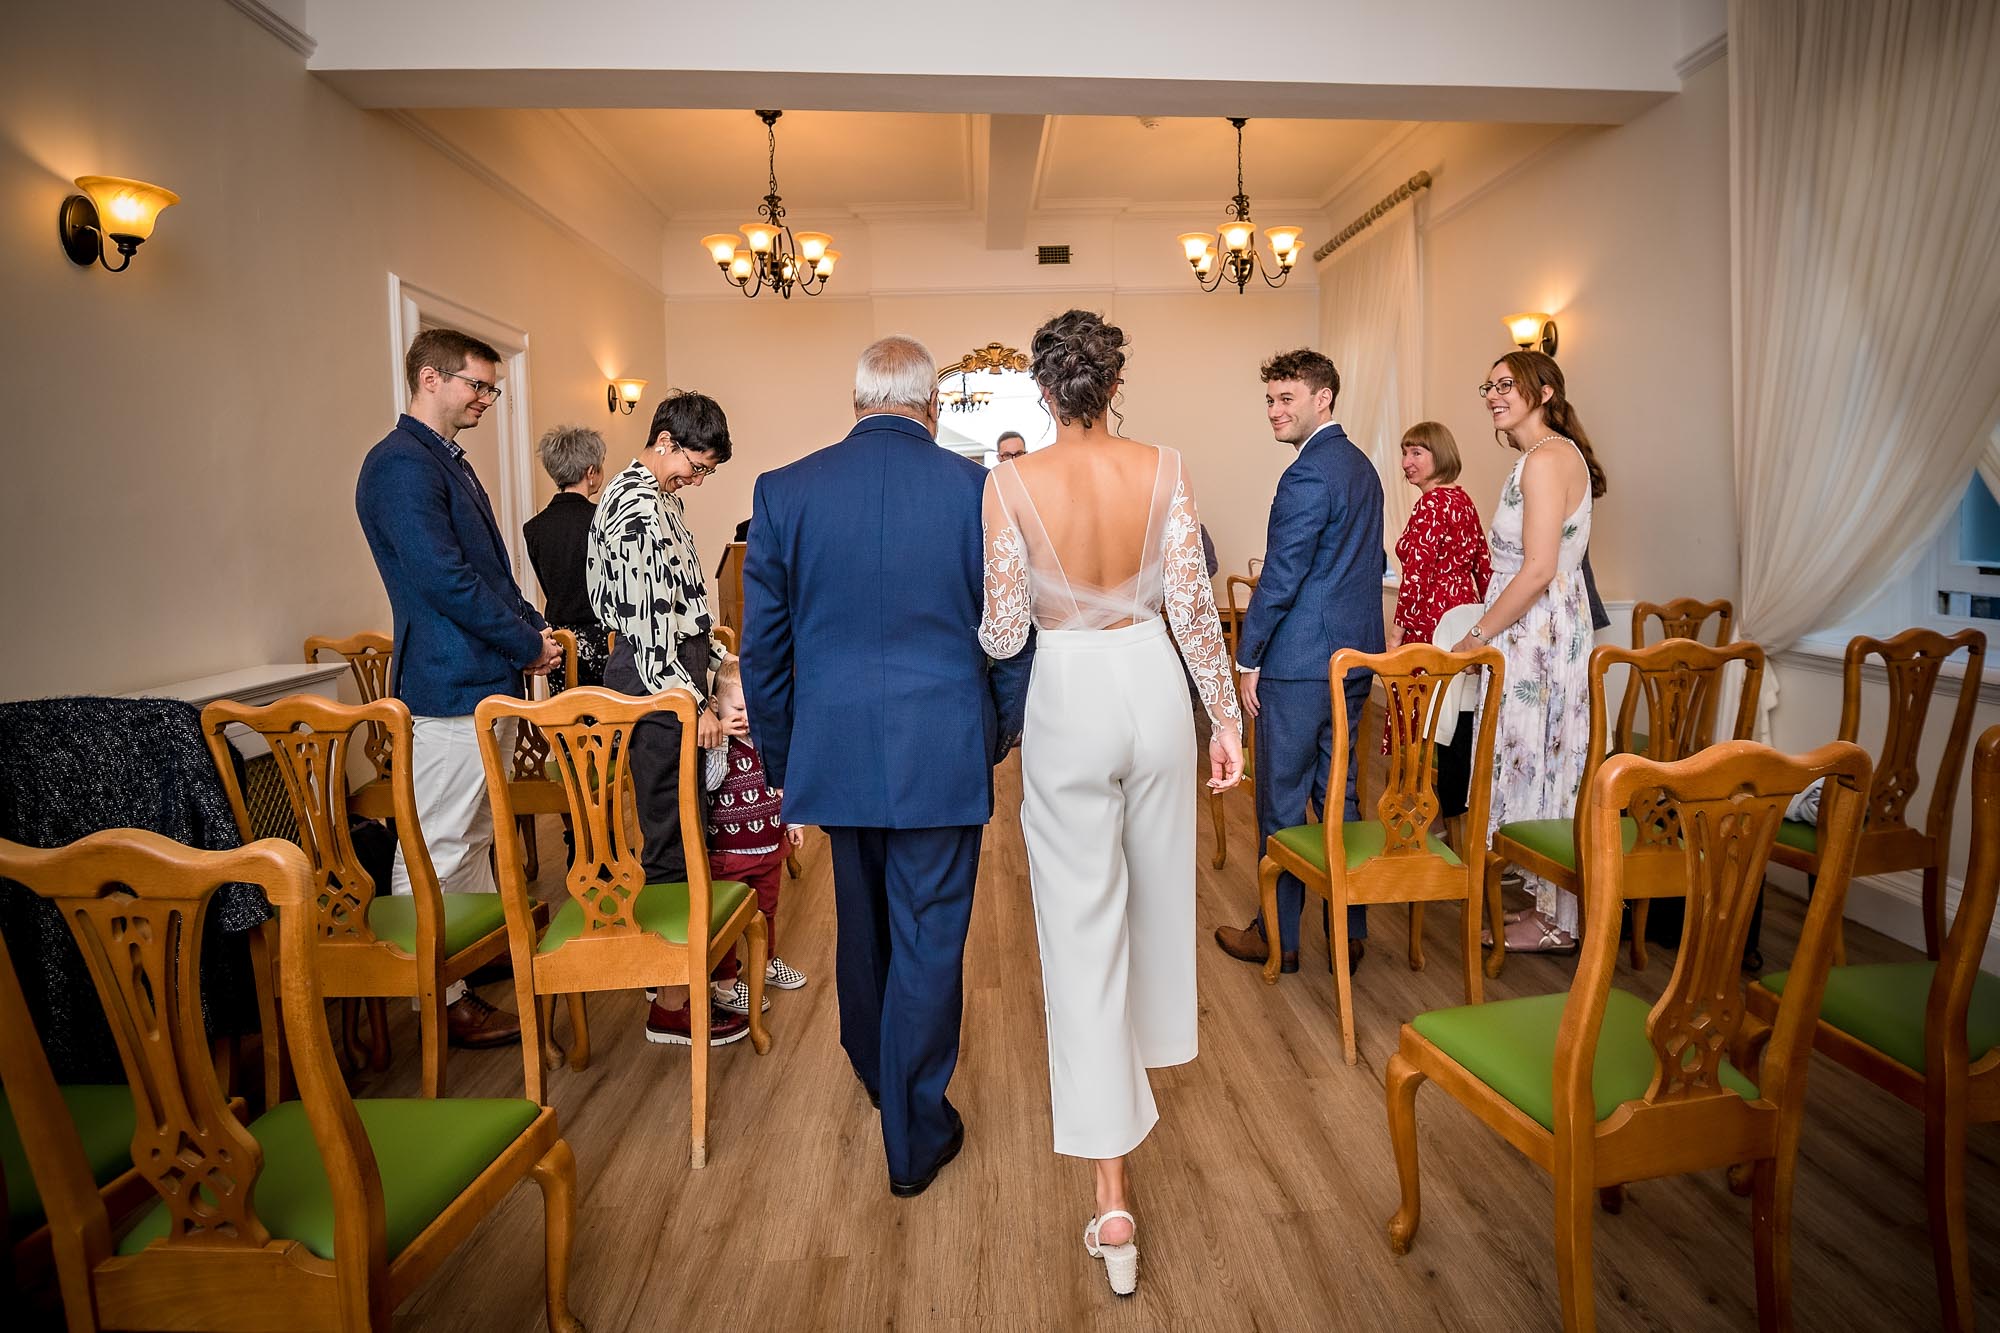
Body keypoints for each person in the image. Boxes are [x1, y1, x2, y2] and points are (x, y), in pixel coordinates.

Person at [978, 309, 1242, 1296]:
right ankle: (1150, 1053)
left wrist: (1003, 599)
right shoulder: (1164, 467)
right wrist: (1225, 721)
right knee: (1154, 902)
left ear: (1044, 393)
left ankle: (1111, 1199)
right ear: (1113, 382)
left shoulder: (1008, 483)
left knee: (1080, 929)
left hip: (1070, 696)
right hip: (1153, 690)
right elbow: (1191, 611)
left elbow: (1004, 636)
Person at [741, 335, 1033, 1199]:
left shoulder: (784, 490)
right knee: (931, 936)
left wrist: (789, 761)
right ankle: (914, 1128)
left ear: (860, 399)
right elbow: (1011, 636)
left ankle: (877, 1071)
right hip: (942, 747)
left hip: (834, 753)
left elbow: (765, 653)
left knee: (861, 926)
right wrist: (998, 732)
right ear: (930, 407)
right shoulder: (978, 491)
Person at [356, 327, 559, 1049]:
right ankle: (439, 1000)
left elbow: (491, 575)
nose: (486, 400)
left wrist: (534, 627)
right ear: (430, 378)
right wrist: (524, 642)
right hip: (446, 684)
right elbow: (445, 581)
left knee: (473, 833)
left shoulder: (443, 461)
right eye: (478, 385)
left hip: (482, 677)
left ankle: (467, 964)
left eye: (491, 388)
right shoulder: (399, 466)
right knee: (437, 842)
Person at [1213, 349, 1385, 977]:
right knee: (1339, 794)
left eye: (1287, 399)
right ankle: (1350, 929)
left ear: (1324, 399)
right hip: (1355, 657)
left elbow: (1282, 576)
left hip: (1299, 664)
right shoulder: (1361, 467)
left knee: (1281, 805)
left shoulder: (1308, 474)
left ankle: (1278, 939)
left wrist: (1248, 654)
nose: (1275, 411)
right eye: (1269, 400)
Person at [585, 390, 743, 1043]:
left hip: (672, 680)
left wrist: (716, 663)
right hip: (656, 690)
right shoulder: (639, 509)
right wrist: (695, 699)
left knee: (686, 827)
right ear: (667, 438)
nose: (698, 479)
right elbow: (650, 637)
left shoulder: (661, 499)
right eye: (696, 465)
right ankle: (672, 1004)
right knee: (672, 836)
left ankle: (678, 972)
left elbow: (681, 610)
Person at [1448, 349, 1607, 952]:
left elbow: (1539, 567)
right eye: (1487, 386)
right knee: (1530, 755)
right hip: (1535, 626)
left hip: (1537, 631)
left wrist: (1477, 636)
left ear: (1543, 393)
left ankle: (1561, 921)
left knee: (1544, 757)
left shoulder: (1546, 460)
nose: (1493, 395)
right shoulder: (1539, 458)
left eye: (1506, 385)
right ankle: (1552, 910)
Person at [1387, 421, 1492, 820]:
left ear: (1440, 456)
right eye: (1405, 452)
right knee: (1457, 715)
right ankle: (1453, 811)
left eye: (1417, 453)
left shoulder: (1431, 505)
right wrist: (1484, 619)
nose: (1406, 462)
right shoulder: (1463, 500)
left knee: (1419, 718)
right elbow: (1484, 566)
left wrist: (1396, 635)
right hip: (1463, 615)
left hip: (1430, 617)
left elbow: (1416, 577)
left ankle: (1411, 810)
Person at [703, 654, 808, 1016]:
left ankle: (766, 961)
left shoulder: (769, 745)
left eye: (754, 707)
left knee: (768, 909)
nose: (746, 716)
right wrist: (718, 740)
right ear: (716, 706)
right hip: (729, 854)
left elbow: (784, 787)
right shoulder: (718, 749)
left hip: (769, 847)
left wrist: (793, 824)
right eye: (737, 707)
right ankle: (726, 985)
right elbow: (709, 784)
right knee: (729, 917)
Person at [523, 425, 610, 688]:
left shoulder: (534, 527)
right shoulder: (605, 519)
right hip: (605, 639)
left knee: (566, 723)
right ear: (591, 473)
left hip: (560, 642)